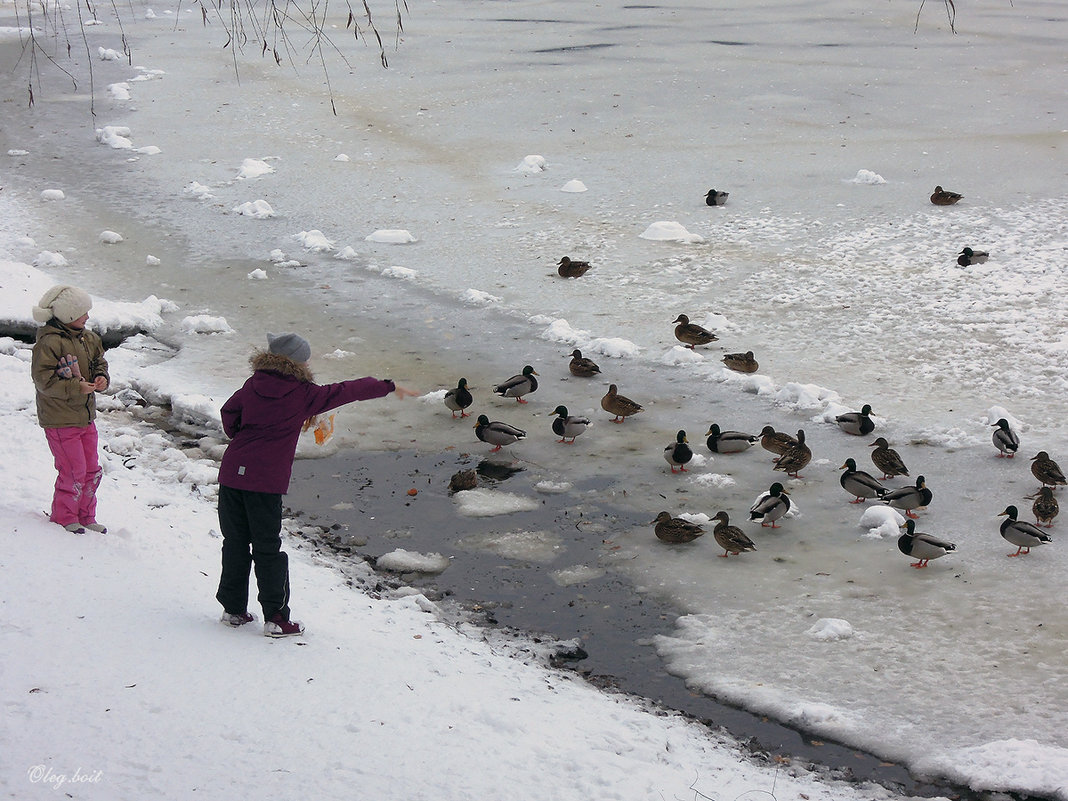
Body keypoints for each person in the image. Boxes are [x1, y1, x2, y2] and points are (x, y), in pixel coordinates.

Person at [216, 332, 417, 638]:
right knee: (268, 549)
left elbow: (229, 412)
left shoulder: (252, 384)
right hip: (264, 481)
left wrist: (243, 437)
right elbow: (348, 390)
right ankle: (277, 618)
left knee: (235, 543)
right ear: (297, 362)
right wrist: (388, 386)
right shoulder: (304, 393)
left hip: (232, 474)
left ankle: (233, 611)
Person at [30, 285, 111, 535]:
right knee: (73, 470)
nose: (87, 317)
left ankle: (86, 515)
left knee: (91, 469)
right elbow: (43, 380)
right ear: (66, 315)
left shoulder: (89, 338)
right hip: (60, 419)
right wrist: (77, 388)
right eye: (81, 313)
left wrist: (101, 378)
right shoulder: (50, 342)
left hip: (85, 417)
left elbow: (100, 361)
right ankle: (64, 516)